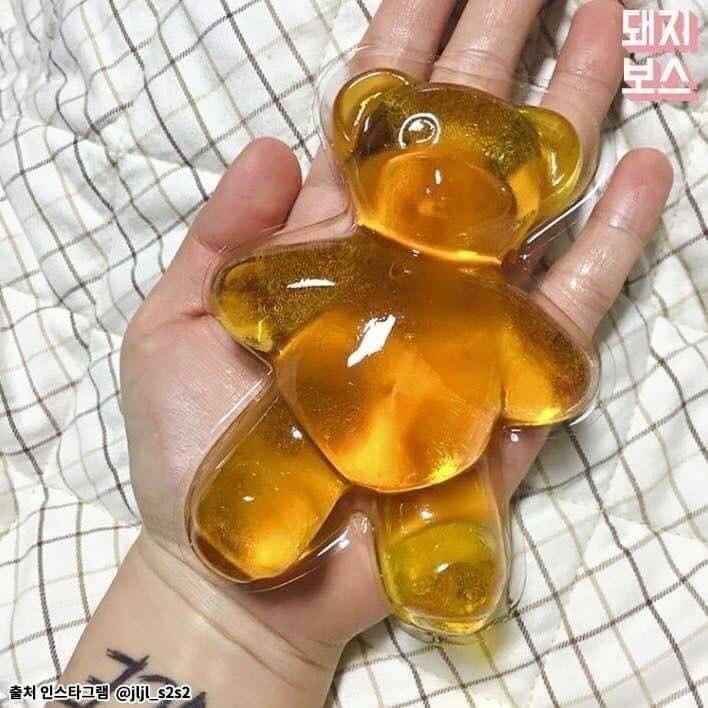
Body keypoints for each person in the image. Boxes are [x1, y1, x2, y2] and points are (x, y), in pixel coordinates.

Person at [52, 0, 673, 705]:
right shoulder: (352, 264)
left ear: (548, 178)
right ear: (362, 134)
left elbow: (550, 379)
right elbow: (266, 292)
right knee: (259, 492)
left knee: (445, 518)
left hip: (443, 459)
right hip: (305, 418)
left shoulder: (493, 309)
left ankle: (438, 561)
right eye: (420, 140)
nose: (446, 174)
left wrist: (556, 374)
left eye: (494, 166)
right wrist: (204, 599)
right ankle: (251, 519)